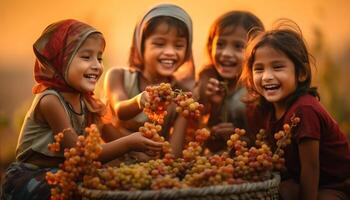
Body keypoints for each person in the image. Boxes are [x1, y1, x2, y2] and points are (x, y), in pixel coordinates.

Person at [0, 19, 163, 200]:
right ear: (60, 61)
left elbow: (114, 137)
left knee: (114, 181)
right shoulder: (50, 101)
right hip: (33, 177)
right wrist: (130, 143)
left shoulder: (88, 102)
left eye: (99, 58)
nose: (96, 65)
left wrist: (145, 151)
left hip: (66, 172)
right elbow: (80, 154)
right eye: (86, 57)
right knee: (76, 191)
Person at [240, 19, 350, 200]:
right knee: (282, 190)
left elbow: (311, 168)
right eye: (259, 69)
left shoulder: (303, 110)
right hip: (301, 180)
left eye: (278, 67)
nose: (267, 77)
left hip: (337, 184)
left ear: (302, 73)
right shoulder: (264, 109)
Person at [104, 3, 194, 158]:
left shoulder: (182, 97)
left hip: (151, 167)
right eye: (159, 44)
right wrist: (139, 100)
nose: (170, 52)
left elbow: (174, 153)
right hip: (112, 160)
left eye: (179, 45)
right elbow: (120, 111)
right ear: (141, 46)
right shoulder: (117, 76)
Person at [194, 11, 264, 152]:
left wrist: (239, 138)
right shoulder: (207, 82)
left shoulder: (257, 91)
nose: (226, 53)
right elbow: (198, 135)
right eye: (220, 44)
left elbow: (266, 142)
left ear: (256, 52)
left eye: (238, 46)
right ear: (210, 47)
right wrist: (213, 107)